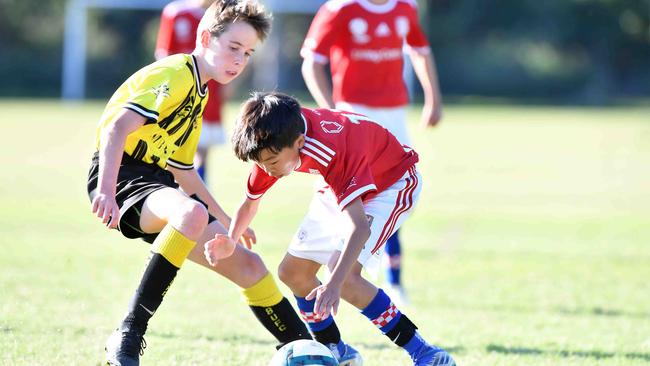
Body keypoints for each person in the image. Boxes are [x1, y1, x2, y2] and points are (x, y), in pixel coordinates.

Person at [88, 2, 311, 365]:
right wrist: (106, 191)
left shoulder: (200, 92)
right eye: (233, 48)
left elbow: (183, 171)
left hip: (157, 184)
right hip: (124, 176)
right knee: (190, 214)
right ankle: (128, 333)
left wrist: (226, 221)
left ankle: (307, 347)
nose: (239, 60)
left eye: (248, 53)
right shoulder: (176, 73)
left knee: (250, 267)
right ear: (206, 38)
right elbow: (117, 128)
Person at [206, 92, 455, 366]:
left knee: (345, 275)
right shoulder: (274, 143)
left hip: (391, 184)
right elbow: (250, 203)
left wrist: (333, 284)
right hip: (337, 183)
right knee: (293, 272)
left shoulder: (329, 149)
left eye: (272, 163)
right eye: (260, 164)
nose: (267, 170)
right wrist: (231, 240)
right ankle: (335, 350)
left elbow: (359, 228)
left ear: (299, 142)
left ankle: (427, 354)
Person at [300, 0, 444, 305]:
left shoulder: (406, 7)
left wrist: (433, 97)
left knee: (394, 190)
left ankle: (392, 280)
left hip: (394, 114)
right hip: (354, 113)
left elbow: (420, 50)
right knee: (345, 194)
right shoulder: (340, 9)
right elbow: (311, 62)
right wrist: (332, 112)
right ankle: (335, 266)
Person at [155, 0, 228, 182]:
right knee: (177, 145)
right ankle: (175, 190)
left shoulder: (225, 13)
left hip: (210, 93)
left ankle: (199, 191)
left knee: (202, 147)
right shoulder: (175, 12)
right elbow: (164, 55)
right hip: (180, 92)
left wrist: (228, 85)